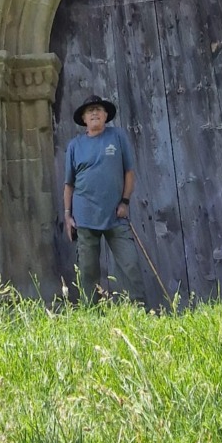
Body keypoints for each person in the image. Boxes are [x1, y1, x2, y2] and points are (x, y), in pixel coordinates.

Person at [63, 94, 146, 305]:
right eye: (89, 111)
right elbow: (69, 184)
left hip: (116, 215)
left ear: (106, 115)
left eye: (98, 109)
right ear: (83, 119)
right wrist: (67, 216)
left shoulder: (117, 137)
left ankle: (139, 310)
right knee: (88, 270)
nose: (94, 113)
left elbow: (129, 172)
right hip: (84, 217)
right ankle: (92, 313)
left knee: (130, 264)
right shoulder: (74, 146)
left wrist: (125, 202)